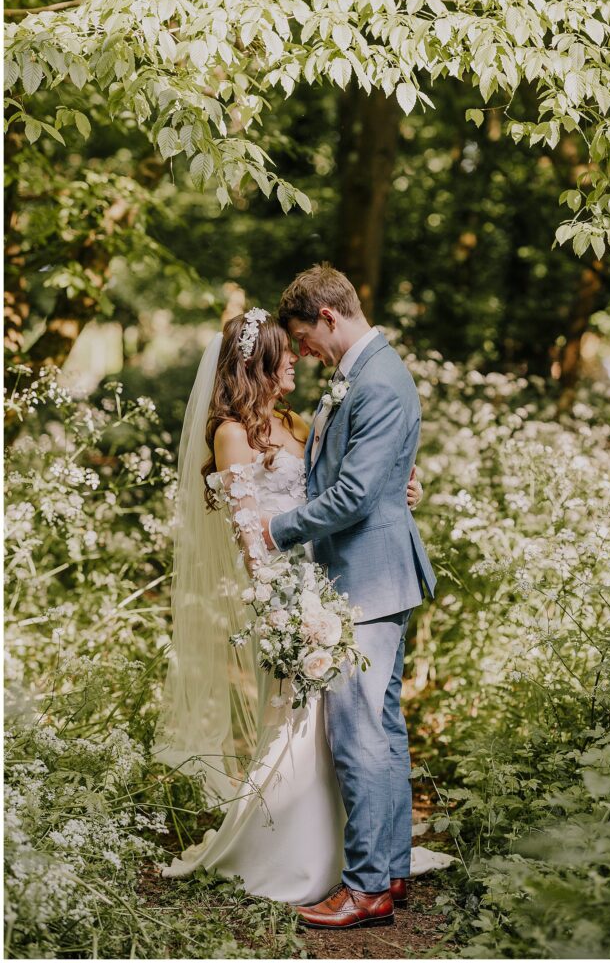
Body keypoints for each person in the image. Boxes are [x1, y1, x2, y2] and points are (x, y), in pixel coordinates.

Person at [152, 301, 446, 915]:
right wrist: (287, 607)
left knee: (359, 730)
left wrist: (403, 485)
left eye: (299, 349)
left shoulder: (296, 420)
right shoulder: (233, 434)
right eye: (286, 357)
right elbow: (248, 538)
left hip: (340, 584)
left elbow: (350, 482)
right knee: (330, 730)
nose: (297, 363)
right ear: (259, 364)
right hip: (294, 594)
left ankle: (368, 871)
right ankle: (334, 862)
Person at [263, 262, 437, 929]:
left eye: (305, 337)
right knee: (382, 733)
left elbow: (357, 494)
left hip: (367, 576)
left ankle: (365, 889)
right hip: (363, 571)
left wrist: (277, 528)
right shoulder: (358, 374)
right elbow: (358, 474)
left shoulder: (379, 380)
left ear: (328, 317)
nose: (303, 352)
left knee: (359, 737)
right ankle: (388, 871)